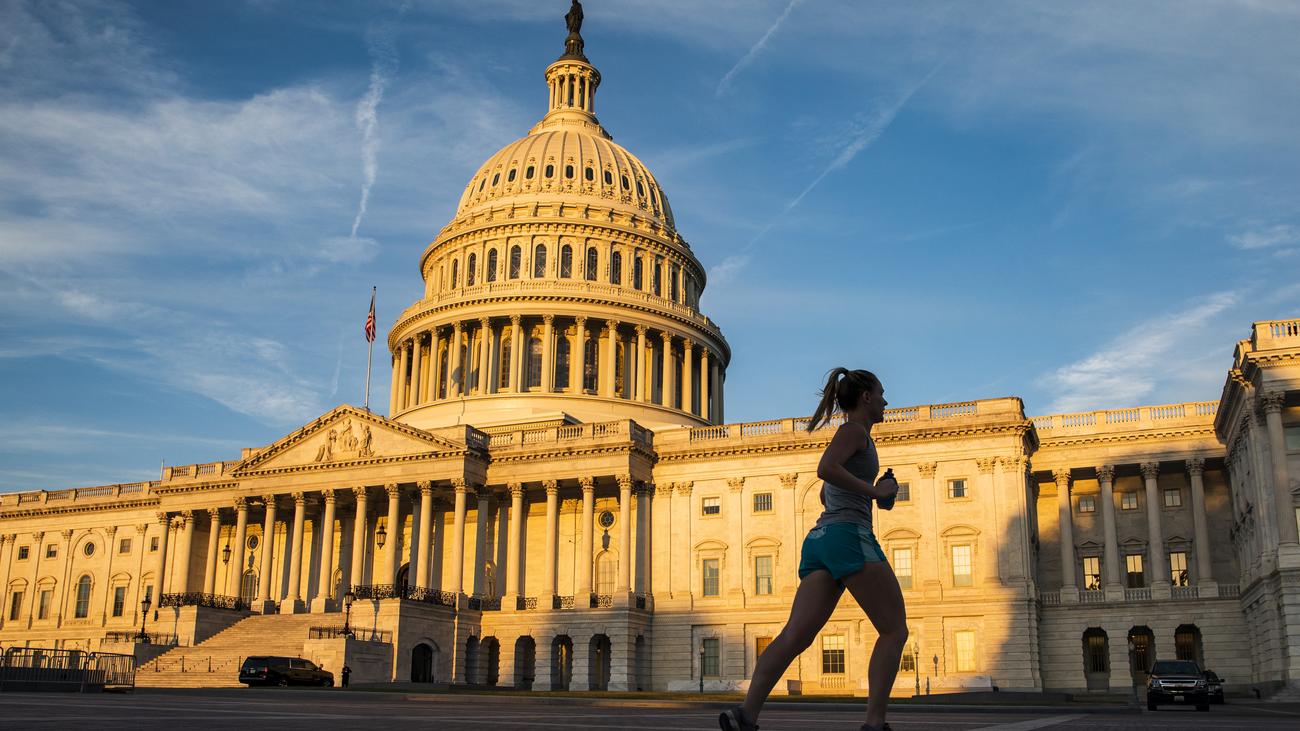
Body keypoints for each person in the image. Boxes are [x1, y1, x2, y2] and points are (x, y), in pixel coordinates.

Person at [720, 368, 907, 731]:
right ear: (866, 397)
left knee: (795, 636)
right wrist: (873, 492)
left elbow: (825, 494)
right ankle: (874, 724)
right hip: (848, 536)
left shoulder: (852, 436)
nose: (886, 401)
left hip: (821, 540)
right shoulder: (854, 432)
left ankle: (745, 715)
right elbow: (826, 469)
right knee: (894, 631)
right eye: (882, 393)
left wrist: (876, 494)